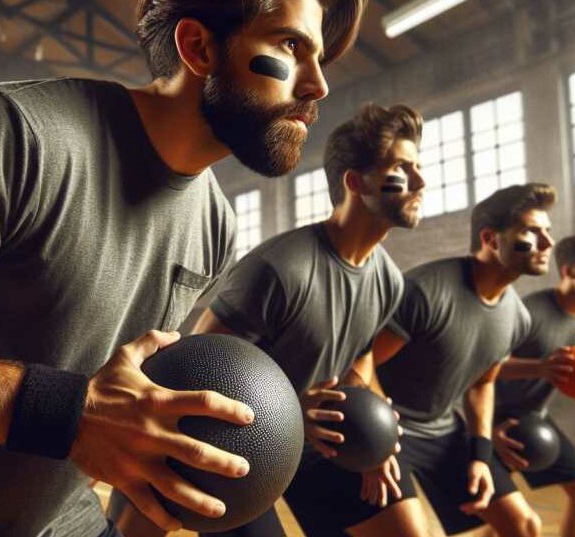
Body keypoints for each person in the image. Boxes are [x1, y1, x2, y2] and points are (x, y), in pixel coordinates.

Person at [0, 1, 365, 535]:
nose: (319, 86)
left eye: (320, 58)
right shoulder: (9, 135)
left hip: (63, 523)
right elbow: (89, 415)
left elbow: (131, 408)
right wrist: (66, 414)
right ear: (199, 48)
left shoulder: (215, 225)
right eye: (290, 46)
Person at [111, 102, 425, 537]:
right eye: (402, 170)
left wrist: (374, 438)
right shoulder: (282, 269)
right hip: (241, 443)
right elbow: (197, 371)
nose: (420, 182)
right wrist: (293, 411)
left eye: (419, 168)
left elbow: (360, 359)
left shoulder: (388, 279)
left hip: (318, 443)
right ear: (355, 182)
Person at [350, 183, 557, 537]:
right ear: (491, 239)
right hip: (390, 425)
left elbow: (482, 384)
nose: (547, 243)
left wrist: (479, 453)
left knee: (524, 525)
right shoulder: (425, 290)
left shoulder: (517, 318)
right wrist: (375, 442)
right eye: (531, 233)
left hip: (444, 430)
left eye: (547, 232)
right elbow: (361, 361)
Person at [490, 230, 575, 537]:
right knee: (504, 516)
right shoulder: (528, 312)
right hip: (493, 417)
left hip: (535, 417)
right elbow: (483, 366)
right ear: (569, 271)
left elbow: (572, 371)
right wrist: (541, 368)